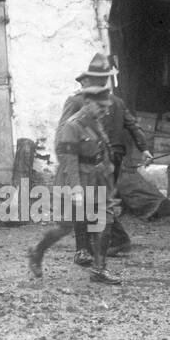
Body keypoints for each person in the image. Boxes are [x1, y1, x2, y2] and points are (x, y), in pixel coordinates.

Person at [58, 53, 152, 261]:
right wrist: (143, 147)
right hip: (95, 160)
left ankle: (101, 246)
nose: (99, 81)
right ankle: (94, 247)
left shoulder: (108, 101)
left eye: (101, 78)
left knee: (93, 203)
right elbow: (63, 134)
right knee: (93, 202)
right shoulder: (82, 101)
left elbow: (129, 124)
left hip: (104, 161)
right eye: (98, 78)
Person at [28, 78, 121, 285]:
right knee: (65, 226)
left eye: (106, 107)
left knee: (104, 222)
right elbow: (69, 162)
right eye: (100, 107)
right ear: (87, 103)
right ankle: (37, 251)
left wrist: (107, 170)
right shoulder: (72, 126)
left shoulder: (95, 122)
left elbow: (101, 150)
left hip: (95, 180)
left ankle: (99, 269)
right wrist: (77, 191)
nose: (105, 112)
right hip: (75, 181)